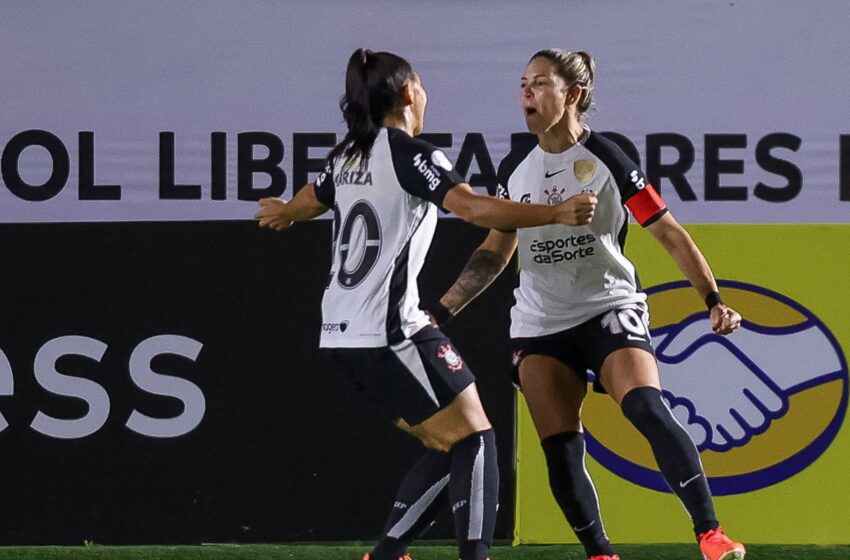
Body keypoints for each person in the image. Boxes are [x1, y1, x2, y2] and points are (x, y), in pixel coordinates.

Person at [254, 48, 598, 560]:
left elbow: (313, 196)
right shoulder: (410, 153)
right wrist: (554, 212)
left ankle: (389, 552)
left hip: (341, 337)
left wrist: (286, 212)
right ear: (409, 92)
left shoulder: (347, 155)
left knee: (451, 442)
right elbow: (473, 207)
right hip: (391, 330)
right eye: (422, 84)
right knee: (477, 440)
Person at [429, 49, 747, 560]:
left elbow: (667, 232)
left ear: (572, 95)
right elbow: (494, 251)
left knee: (645, 405)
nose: (526, 94)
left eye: (540, 84)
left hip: (607, 308)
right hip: (539, 324)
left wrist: (712, 299)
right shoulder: (515, 166)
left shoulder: (610, 159)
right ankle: (600, 553)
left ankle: (711, 533)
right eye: (523, 85)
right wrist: (440, 312)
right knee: (560, 447)